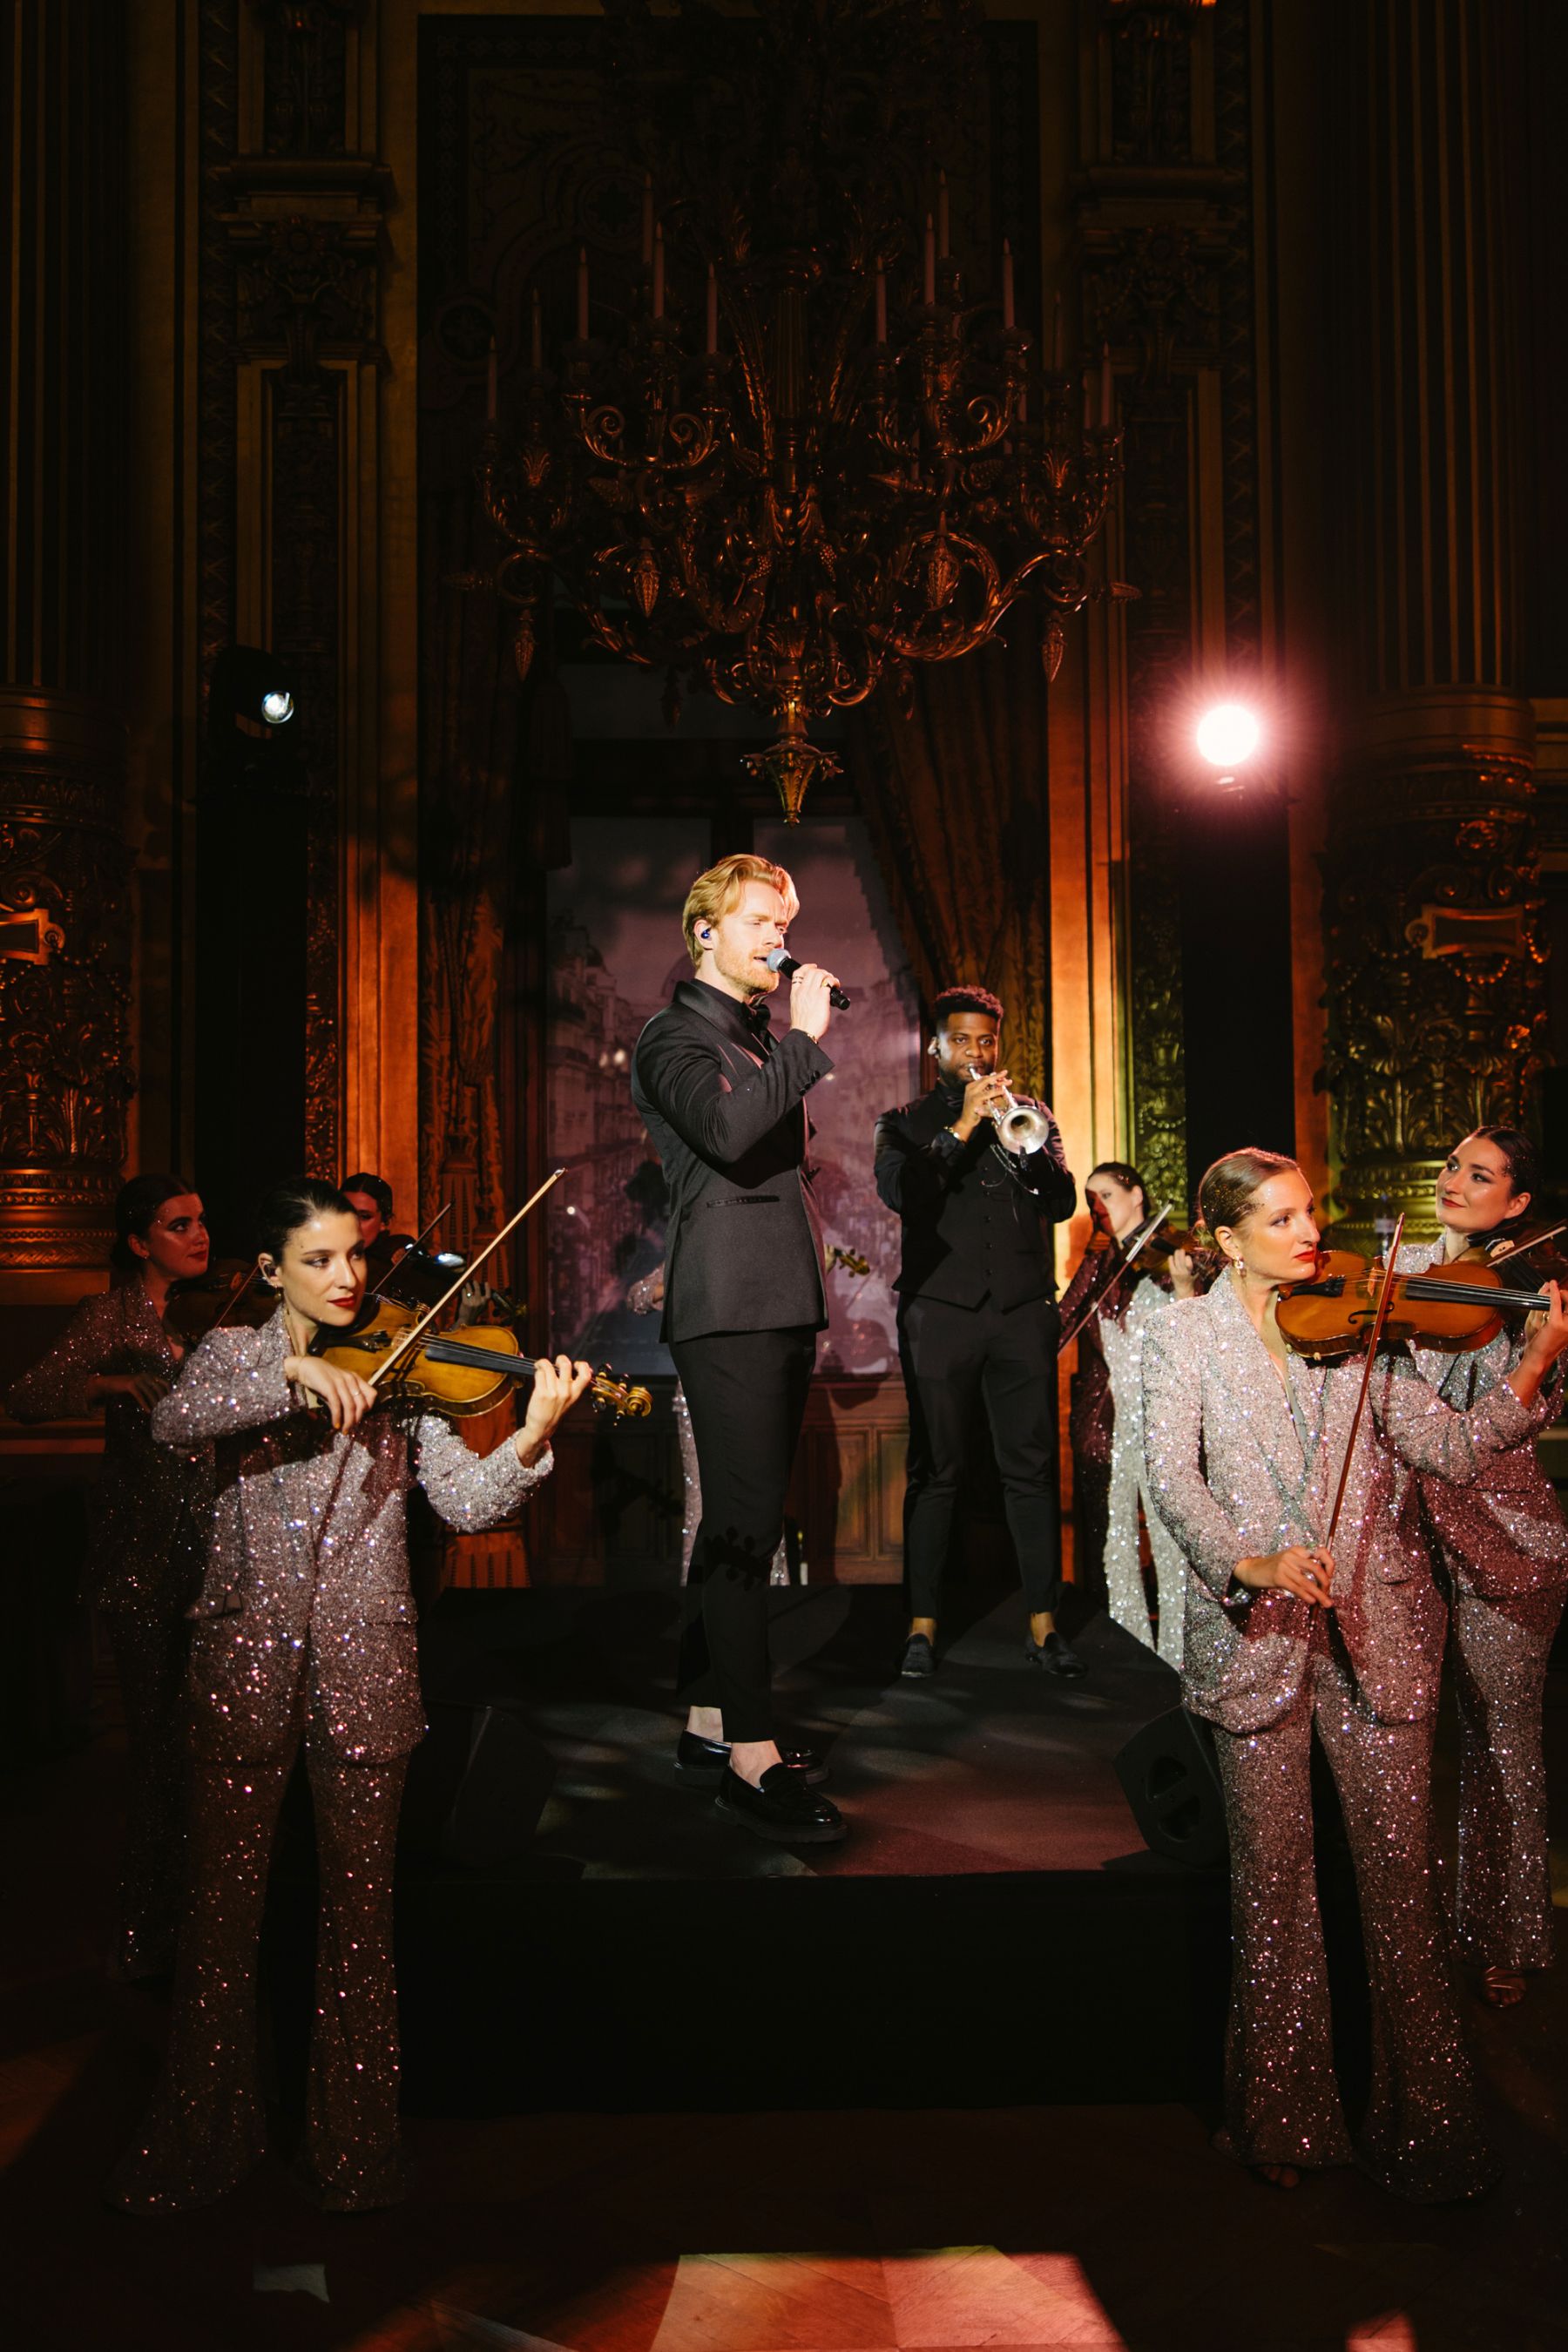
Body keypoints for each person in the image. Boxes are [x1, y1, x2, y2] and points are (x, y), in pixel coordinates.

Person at [111, 1179, 591, 2213]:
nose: (347, 1278)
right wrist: (290, 1370)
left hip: (368, 1666)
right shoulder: (231, 1355)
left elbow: (464, 1505)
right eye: (320, 1259)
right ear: (271, 1269)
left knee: (361, 1920)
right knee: (219, 1918)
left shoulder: (402, 1367)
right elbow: (175, 1425)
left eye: (355, 1257)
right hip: (243, 1660)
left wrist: (531, 1434)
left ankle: (354, 2145)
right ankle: (205, 2136)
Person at [1142, 1146, 1568, 2200]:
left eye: (1310, 1215)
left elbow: (1454, 1451)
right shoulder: (1178, 1335)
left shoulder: (1367, 1335)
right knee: (1273, 1889)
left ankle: (1430, 2130)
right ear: (1227, 1238)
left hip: (1382, 1635)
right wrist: (1249, 1562)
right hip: (1255, 1638)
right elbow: (1172, 1477)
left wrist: (1535, 1361)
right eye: (1282, 1220)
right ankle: (1285, 2120)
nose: (1309, 1236)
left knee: (1401, 1890)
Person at [630, 851, 844, 1845]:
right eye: (758, 922)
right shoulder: (672, 1035)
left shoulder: (753, 1037)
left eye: (783, 923)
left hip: (775, 1299)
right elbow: (722, 1133)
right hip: (728, 1307)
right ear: (705, 931)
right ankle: (752, 1759)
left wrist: (785, 1046)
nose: (776, 939)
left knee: (745, 1523)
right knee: (745, 1530)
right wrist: (803, 1043)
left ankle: (711, 1721)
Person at [6, 1175, 214, 1980]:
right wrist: (111, 1383)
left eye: (201, 1221)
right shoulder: (110, 1316)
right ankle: (146, 1930)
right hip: (143, 1556)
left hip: (218, 1556)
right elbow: (28, 1394)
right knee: (158, 1752)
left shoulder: (221, 1316)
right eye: (178, 1225)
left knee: (212, 1749)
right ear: (138, 1242)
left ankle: (211, 1922)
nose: (199, 1236)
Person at [1396, 1128, 1568, 2008]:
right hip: (1410, 1542)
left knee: (1504, 1748)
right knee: (1403, 1744)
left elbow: (1517, 1420)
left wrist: (1534, 1343)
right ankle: (1416, 1927)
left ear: (1518, 1203)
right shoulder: (1403, 1269)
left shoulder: (1533, 1292)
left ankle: (1510, 1935)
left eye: (1482, 1174)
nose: (1456, 1181)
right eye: (1454, 1166)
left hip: (1509, 1544)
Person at [874, 986, 1078, 1678]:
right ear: (935, 1047)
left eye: (985, 1041)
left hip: (1021, 1311)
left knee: (1030, 1469)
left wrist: (1022, 1146)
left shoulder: (1031, 1115)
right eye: (960, 1040)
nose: (975, 1053)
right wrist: (961, 1127)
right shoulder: (901, 1122)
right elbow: (904, 1194)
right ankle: (922, 1626)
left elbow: (1060, 1202)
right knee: (937, 1470)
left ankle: (1045, 1625)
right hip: (939, 1312)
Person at [1058, 1162, 1193, 1666]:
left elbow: (1203, 1335)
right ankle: (1127, 1648)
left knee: (1170, 1532)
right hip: (1107, 1416)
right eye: (1091, 1201)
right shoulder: (1101, 1263)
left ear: (1137, 1195)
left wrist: (1185, 1287)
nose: (1099, 1209)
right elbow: (1060, 1323)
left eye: (1108, 1196)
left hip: (1164, 1413)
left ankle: (1179, 1650)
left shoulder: (1173, 1253)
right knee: (1113, 1535)